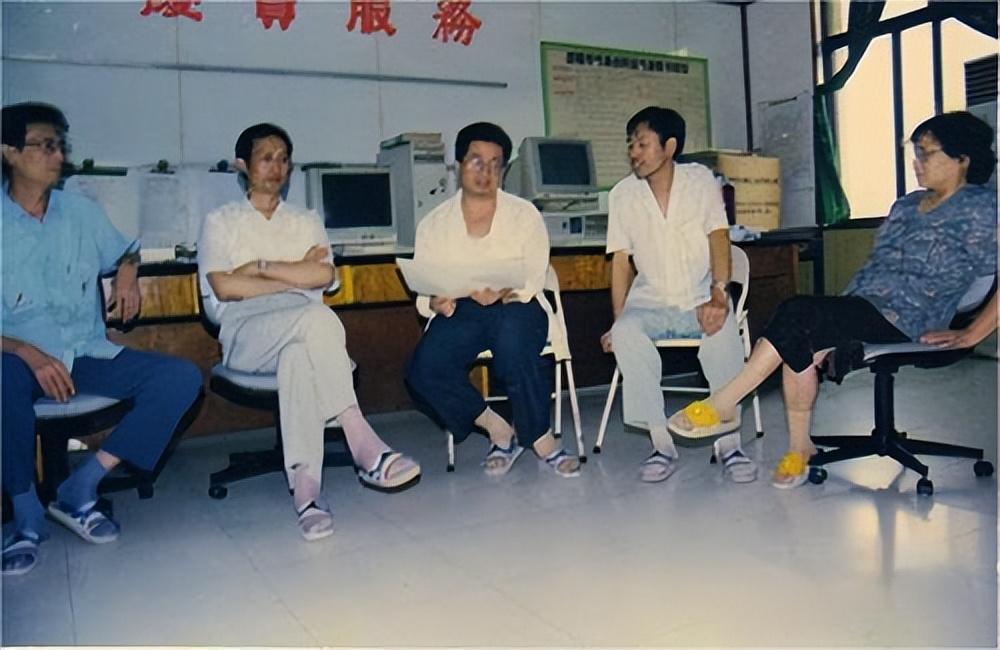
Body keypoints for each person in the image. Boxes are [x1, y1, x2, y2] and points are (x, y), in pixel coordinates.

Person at [668, 110, 998, 488]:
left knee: (797, 313)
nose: (916, 161)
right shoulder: (906, 206)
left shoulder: (982, 208)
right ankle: (800, 449)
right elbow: (875, 268)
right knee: (800, 332)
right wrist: (835, 320)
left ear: (962, 159)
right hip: (867, 308)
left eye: (927, 152)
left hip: (915, 318)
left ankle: (725, 404)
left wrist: (972, 334)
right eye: (915, 152)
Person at [1, 102, 203, 576]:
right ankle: (26, 515)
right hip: (16, 360)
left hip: (86, 353)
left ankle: (79, 488)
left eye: (60, 146)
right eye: (45, 146)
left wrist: (128, 274)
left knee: (180, 378)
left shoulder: (80, 212)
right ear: (9, 152)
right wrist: (26, 352)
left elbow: (126, 250)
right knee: (2, 377)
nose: (58, 156)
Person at [198, 123, 420, 541]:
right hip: (245, 334)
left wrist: (259, 269)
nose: (277, 166)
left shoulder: (306, 220)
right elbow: (224, 288)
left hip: (301, 330)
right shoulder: (220, 222)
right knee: (318, 319)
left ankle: (307, 493)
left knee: (298, 356)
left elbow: (323, 276)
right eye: (266, 157)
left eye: (284, 158)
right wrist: (294, 275)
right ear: (242, 165)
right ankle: (361, 440)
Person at [405, 122, 581, 478]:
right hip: (462, 308)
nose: (485, 172)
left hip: (516, 304)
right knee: (424, 369)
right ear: (458, 165)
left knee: (513, 340)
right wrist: (436, 302)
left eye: (495, 164)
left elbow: (534, 275)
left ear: (503, 170)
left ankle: (541, 438)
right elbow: (426, 289)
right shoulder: (433, 224)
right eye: (476, 161)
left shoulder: (524, 215)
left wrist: (502, 291)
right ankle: (498, 429)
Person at [600, 106, 756, 484]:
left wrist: (719, 293)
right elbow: (620, 262)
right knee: (626, 332)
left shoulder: (700, 180)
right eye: (631, 145)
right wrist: (618, 320)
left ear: (669, 147)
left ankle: (729, 445)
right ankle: (661, 445)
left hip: (700, 295)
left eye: (642, 144)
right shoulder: (622, 195)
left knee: (721, 330)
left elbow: (718, 237)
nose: (634, 152)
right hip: (650, 301)